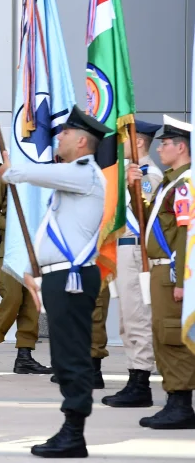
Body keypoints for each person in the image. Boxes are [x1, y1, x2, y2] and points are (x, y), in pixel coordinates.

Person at [0, 105, 109, 458]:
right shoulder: (75, 174)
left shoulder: (85, 173)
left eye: (63, 134)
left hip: (72, 280)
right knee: (63, 357)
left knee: (72, 358)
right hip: (60, 279)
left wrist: (11, 170)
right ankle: (70, 429)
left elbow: (33, 174)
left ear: (80, 140)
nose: (57, 137)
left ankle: (74, 433)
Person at [127, 115, 195, 429]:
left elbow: (186, 234)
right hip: (161, 272)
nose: (161, 148)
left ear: (180, 147)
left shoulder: (184, 186)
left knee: (171, 336)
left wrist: (182, 278)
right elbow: (149, 223)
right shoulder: (171, 182)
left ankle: (180, 405)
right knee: (162, 333)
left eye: (166, 143)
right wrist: (133, 189)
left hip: (171, 273)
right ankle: (174, 401)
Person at [103, 120, 162, 407]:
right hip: (123, 249)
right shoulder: (132, 173)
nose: (120, 144)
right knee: (128, 319)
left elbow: (145, 216)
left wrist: (131, 185)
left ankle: (141, 383)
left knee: (138, 316)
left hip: (136, 250)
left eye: (124, 138)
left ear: (138, 142)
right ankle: (134, 378)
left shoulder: (149, 175)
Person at [0, 172, 50, 374]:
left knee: (31, 303)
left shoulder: (43, 173)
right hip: (10, 250)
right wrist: (14, 227)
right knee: (12, 298)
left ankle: (24, 357)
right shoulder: (6, 175)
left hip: (36, 251)